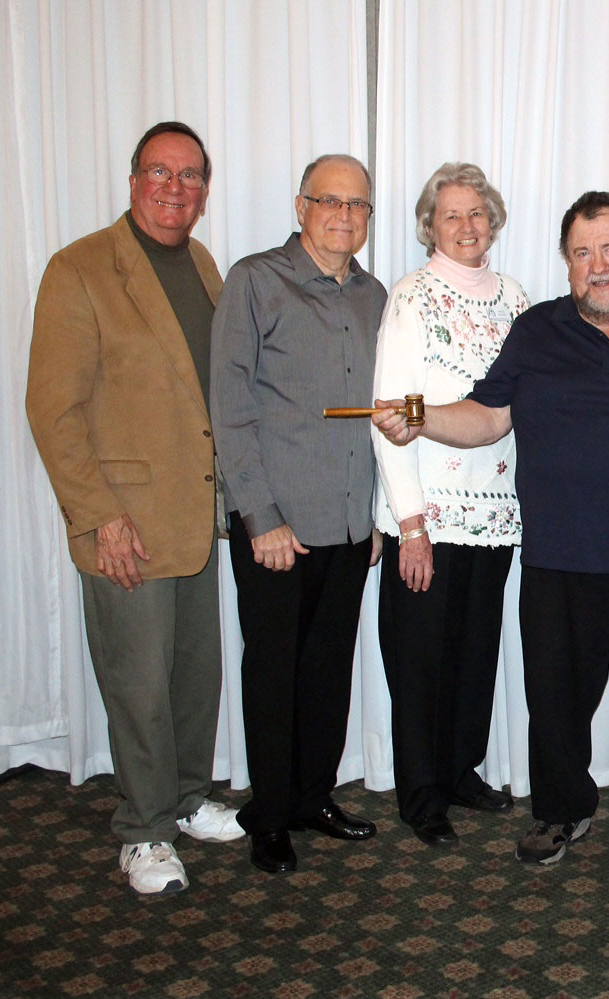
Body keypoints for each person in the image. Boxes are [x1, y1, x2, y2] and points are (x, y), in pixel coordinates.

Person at [375, 191, 609, 871]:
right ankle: (561, 811)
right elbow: (488, 417)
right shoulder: (538, 331)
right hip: (559, 560)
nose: (598, 266)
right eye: (582, 253)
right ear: (567, 264)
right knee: (554, 701)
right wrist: (420, 414)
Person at [26, 122, 244, 895]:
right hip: (125, 523)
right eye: (160, 172)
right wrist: (97, 516)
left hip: (193, 514)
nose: (173, 189)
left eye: (189, 177)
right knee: (138, 684)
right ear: (132, 180)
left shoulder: (203, 264)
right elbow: (52, 410)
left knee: (193, 675)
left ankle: (183, 801)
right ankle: (142, 832)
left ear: (204, 192)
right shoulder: (80, 268)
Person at [210, 154, 388, 875]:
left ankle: (314, 796)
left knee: (327, 670)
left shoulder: (375, 295)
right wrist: (258, 515)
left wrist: (375, 513)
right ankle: (271, 813)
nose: (345, 216)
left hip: (348, 524)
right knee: (275, 672)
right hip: (277, 527)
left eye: (359, 206)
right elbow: (229, 407)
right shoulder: (255, 281)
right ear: (300, 206)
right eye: (330, 201)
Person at [371, 163, 530, 847]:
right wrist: (410, 524)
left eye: (476, 213)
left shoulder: (518, 300)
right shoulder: (410, 296)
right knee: (421, 659)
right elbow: (390, 419)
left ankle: (460, 769)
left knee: (473, 653)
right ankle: (420, 793)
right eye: (451, 215)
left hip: (495, 515)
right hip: (428, 515)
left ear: (492, 220)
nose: (466, 226)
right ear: (429, 226)